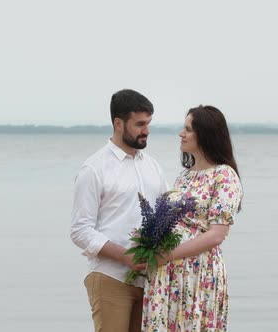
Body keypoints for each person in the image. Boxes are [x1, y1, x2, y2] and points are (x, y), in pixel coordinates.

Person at [70, 89, 169, 332]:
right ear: (118, 123)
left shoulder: (153, 166)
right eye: (140, 124)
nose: (146, 131)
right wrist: (125, 256)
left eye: (148, 123)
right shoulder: (94, 169)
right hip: (110, 277)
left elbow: (166, 213)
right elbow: (80, 230)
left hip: (150, 281)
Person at [142, 105, 243, 332]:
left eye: (188, 129)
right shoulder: (184, 176)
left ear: (205, 134)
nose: (181, 133)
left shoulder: (224, 175)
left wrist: (166, 255)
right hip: (167, 273)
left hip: (198, 273)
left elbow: (216, 235)